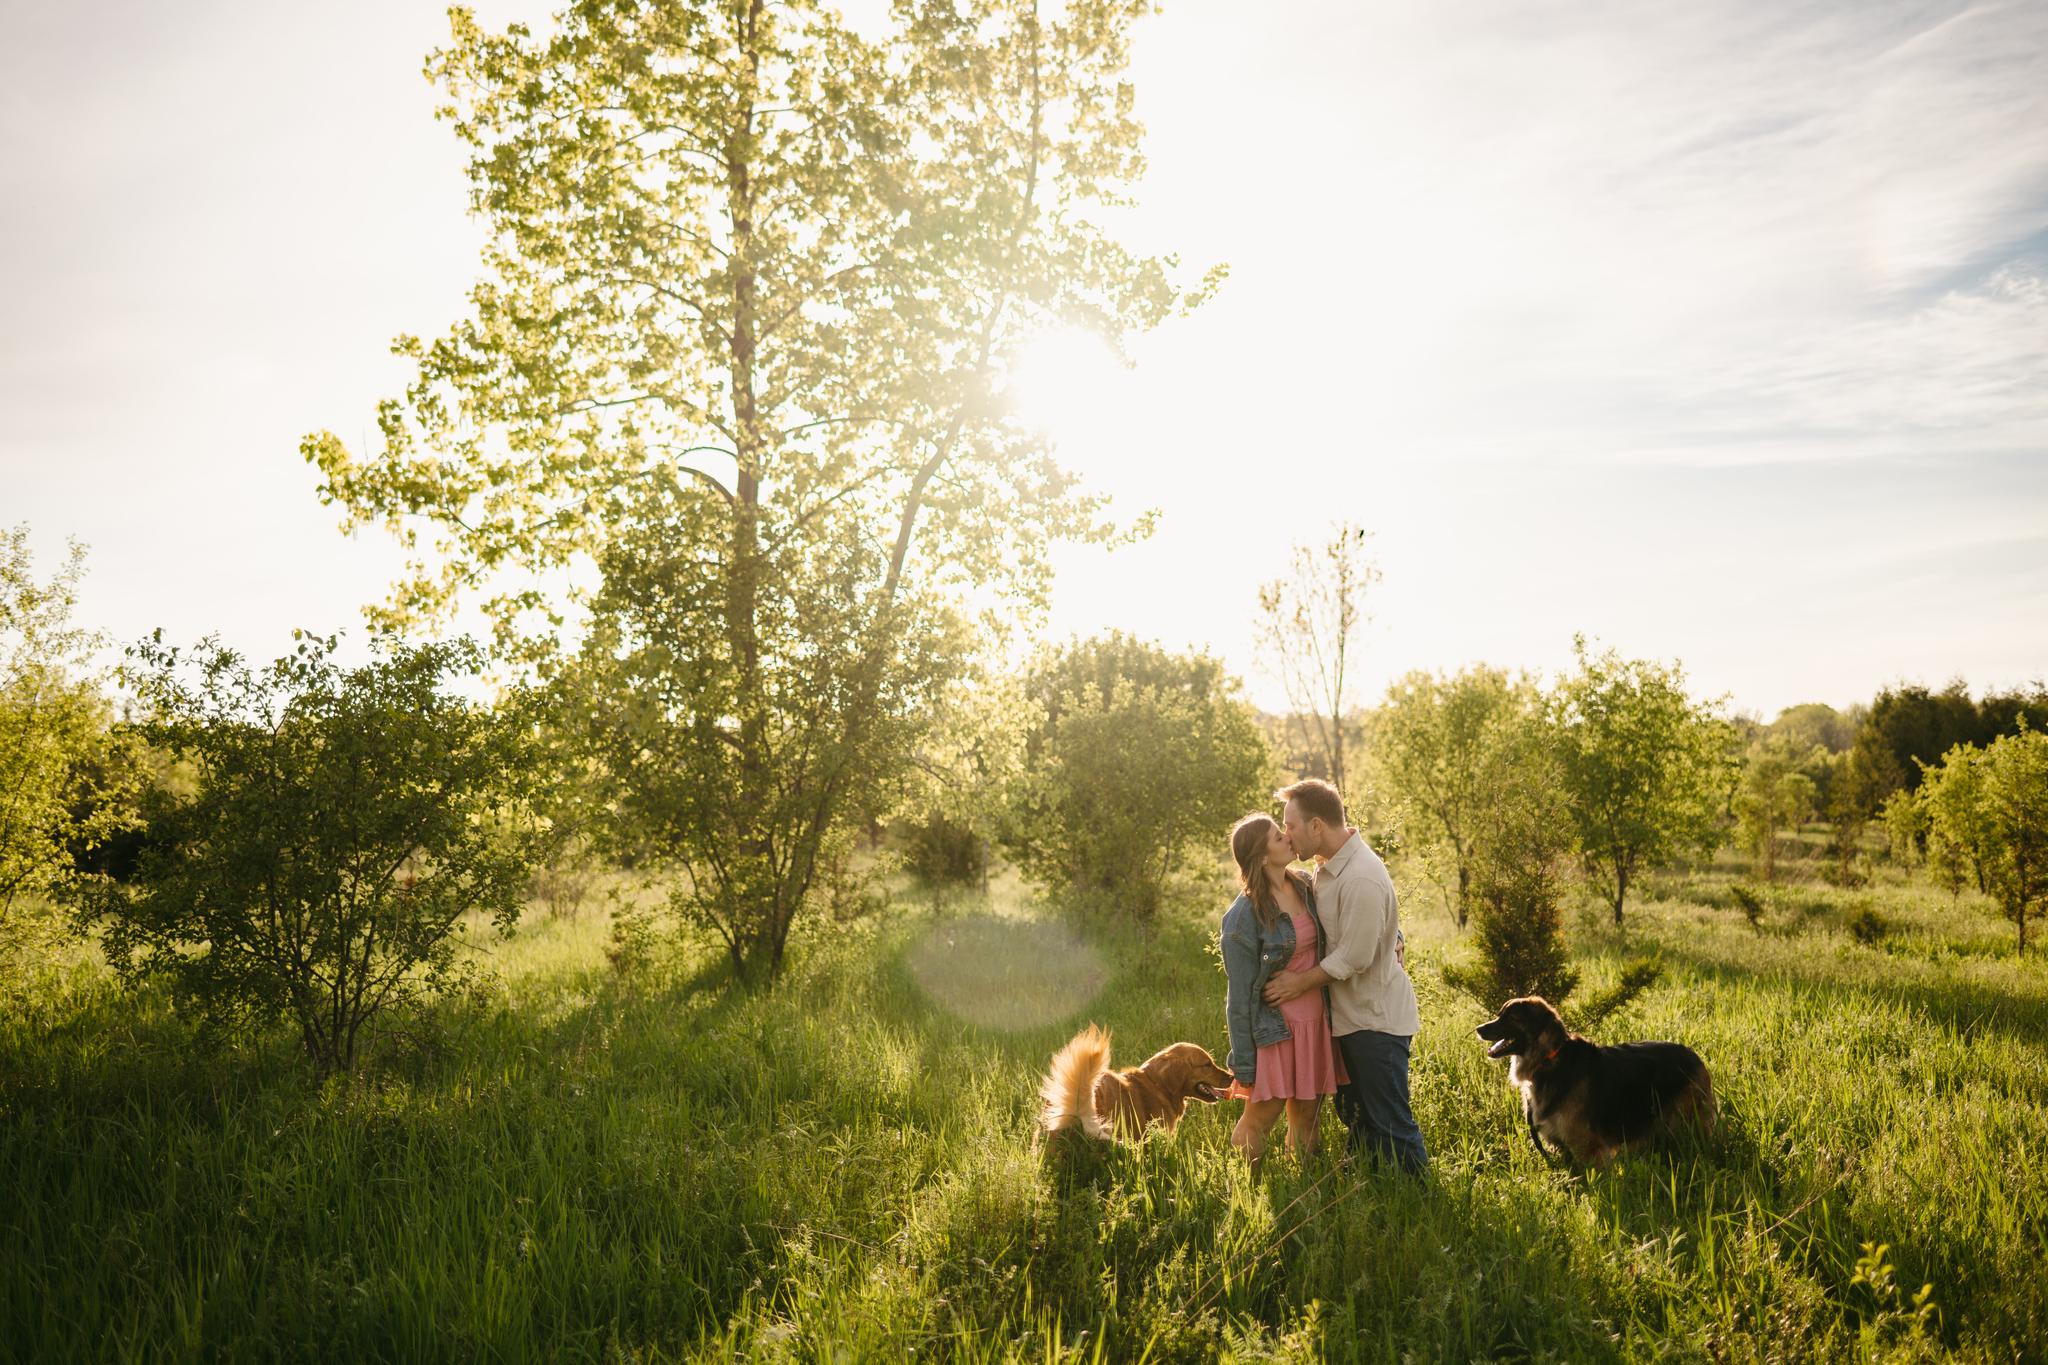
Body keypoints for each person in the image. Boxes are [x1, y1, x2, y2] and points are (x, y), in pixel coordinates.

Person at [1264, 778, 1429, 1174]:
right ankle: (1375, 1196)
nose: (1286, 833)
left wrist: (1296, 984)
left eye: (1291, 825)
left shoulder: (1360, 875)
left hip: (1375, 1021)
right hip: (1347, 1019)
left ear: (1317, 826)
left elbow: (1353, 956)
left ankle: (1420, 1199)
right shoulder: (1327, 869)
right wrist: (1395, 935)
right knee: (1358, 1120)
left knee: (1390, 1122)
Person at [1219, 812, 1347, 1170]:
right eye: (1278, 837)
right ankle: (1251, 1186)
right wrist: (1244, 1063)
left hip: (1316, 1023)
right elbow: (1239, 1000)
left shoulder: (1306, 886)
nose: (1288, 838)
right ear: (1261, 857)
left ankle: (1304, 1191)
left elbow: (1347, 924)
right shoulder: (1242, 918)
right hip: (1275, 1033)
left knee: (1308, 1119)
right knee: (1260, 1119)